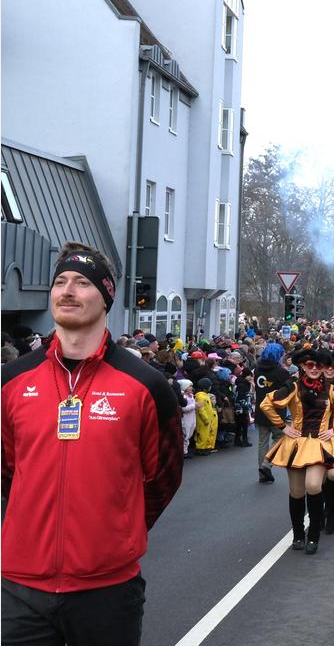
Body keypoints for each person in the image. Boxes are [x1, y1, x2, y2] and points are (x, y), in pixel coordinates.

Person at [1, 242, 183, 645]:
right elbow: (6, 472)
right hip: (20, 588)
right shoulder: (10, 381)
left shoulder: (147, 386)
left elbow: (164, 477)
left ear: (106, 298)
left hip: (108, 589)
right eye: (60, 281)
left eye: (82, 283)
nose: (67, 290)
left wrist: (117, 532)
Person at [258, 349, 334, 555]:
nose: (314, 369)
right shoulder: (293, 386)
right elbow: (266, 403)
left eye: (318, 365)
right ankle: (298, 535)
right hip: (296, 443)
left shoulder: (331, 388)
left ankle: (313, 535)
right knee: (296, 492)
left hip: (319, 443)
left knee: (313, 485)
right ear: (302, 366)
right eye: (310, 365)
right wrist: (283, 427)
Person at [253, 343, 291, 484]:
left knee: (262, 442)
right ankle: (267, 465)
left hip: (260, 409)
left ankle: (262, 471)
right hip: (275, 410)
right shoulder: (281, 372)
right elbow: (287, 389)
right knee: (281, 437)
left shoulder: (257, 369)